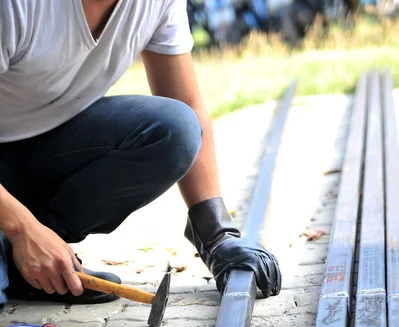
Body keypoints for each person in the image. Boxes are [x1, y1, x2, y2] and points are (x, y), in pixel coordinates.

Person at [0, 0, 281, 310]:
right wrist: (22, 228)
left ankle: (29, 257)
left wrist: (217, 235)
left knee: (175, 128)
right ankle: (21, 246)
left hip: (45, 150)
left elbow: (186, 100)